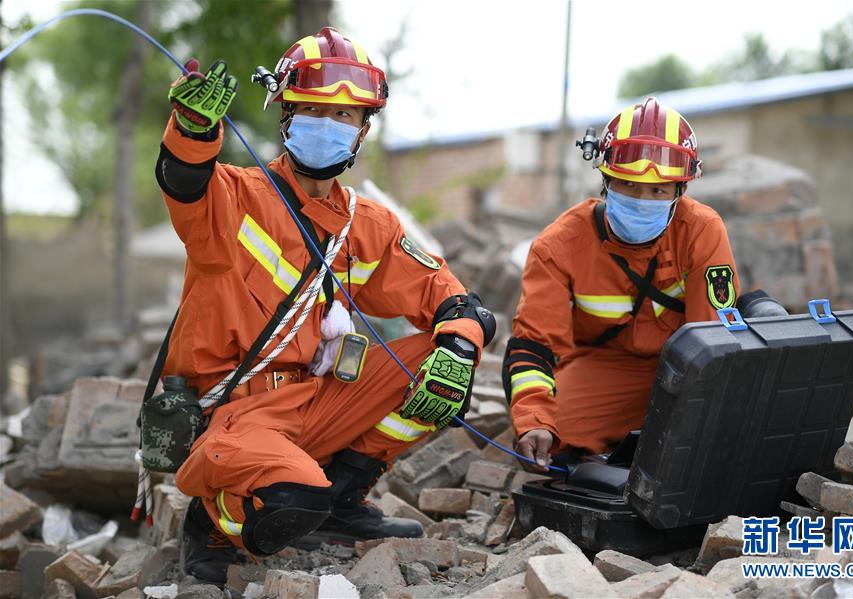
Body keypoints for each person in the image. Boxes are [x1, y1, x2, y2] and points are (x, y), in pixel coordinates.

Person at [156, 27, 494, 584]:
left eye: (345, 115)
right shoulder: (233, 196)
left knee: (439, 372)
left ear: (364, 129)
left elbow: (446, 293)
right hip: (233, 414)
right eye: (313, 107)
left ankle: (341, 497)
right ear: (284, 113)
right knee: (292, 502)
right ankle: (212, 521)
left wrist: (459, 344)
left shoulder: (368, 224)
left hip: (314, 397)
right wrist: (194, 129)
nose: (328, 125)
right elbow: (184, 181)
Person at [505, 97, 740, 471]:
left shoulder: (702, 231)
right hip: (608, 369)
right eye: (629, 185)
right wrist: (534, 420)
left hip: (688, 368)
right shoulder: (558, 245)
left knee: (729, 428)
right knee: (554, 432)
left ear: (680, 191)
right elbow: (534, 345)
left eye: (658, 191)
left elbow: (713, 343)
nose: (642, 200)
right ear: (606, 179)